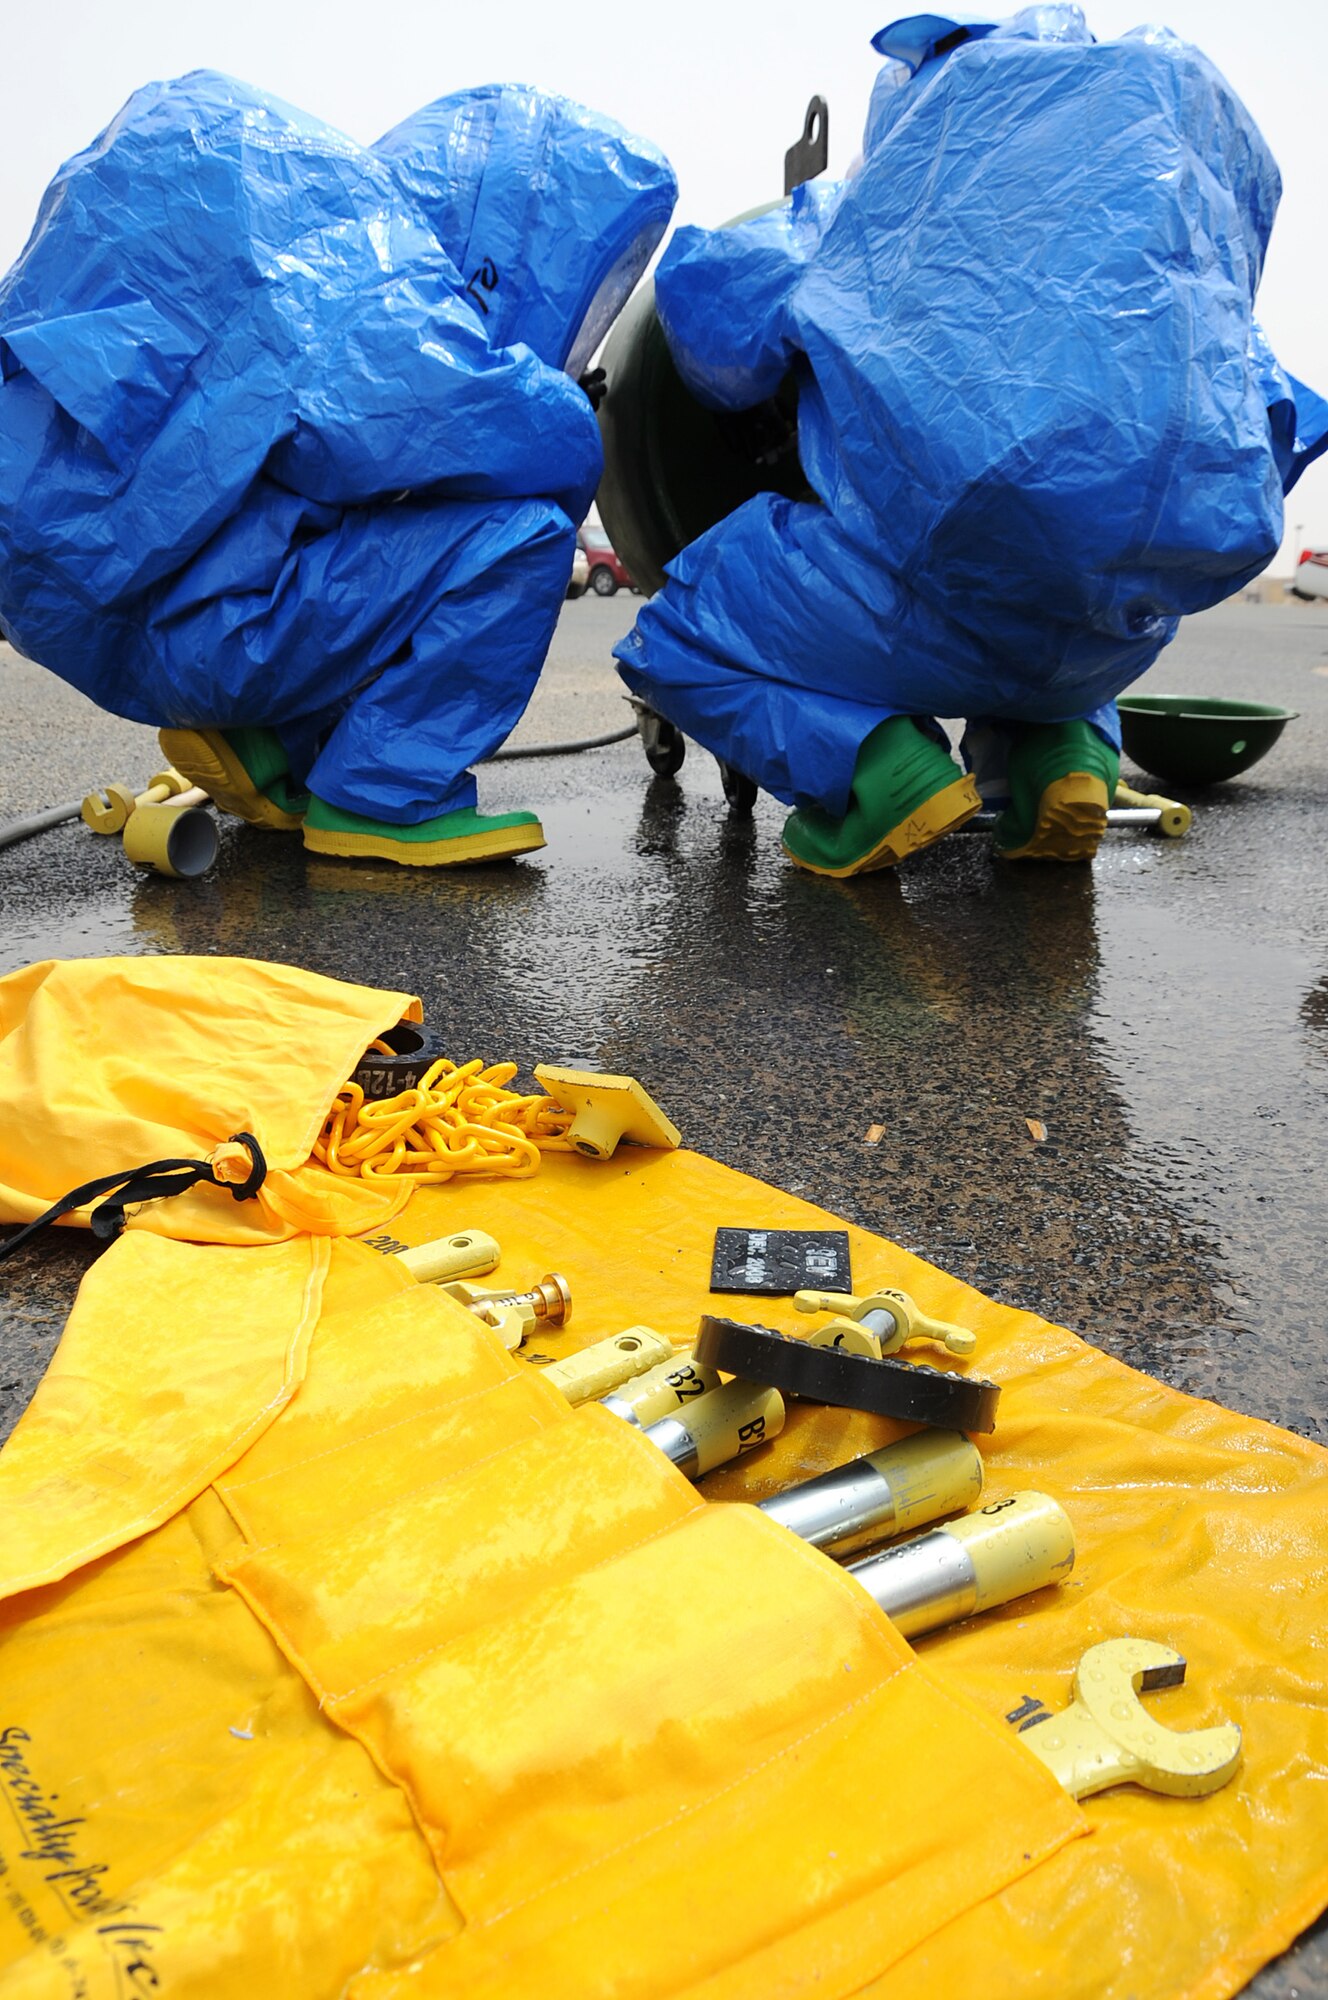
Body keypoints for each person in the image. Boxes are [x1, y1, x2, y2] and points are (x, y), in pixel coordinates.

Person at [614, 8, 1328, 875]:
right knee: (1052, 597)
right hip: (1109, 645)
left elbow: (712, 335)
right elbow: (1287, 426)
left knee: (680, 636)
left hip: (917, 613)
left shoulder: (866, 228)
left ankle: (882, 773)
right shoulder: (1191, 289)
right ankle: (1063, 765)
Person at [0, 76, 675, 865]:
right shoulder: (381, 283)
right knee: (522, 534)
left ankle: (270, 744)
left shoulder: (294, 226)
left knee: (368, 524)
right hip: (198, 633)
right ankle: (382, 796)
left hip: (85, 599)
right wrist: (561, 396)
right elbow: (539, 444)